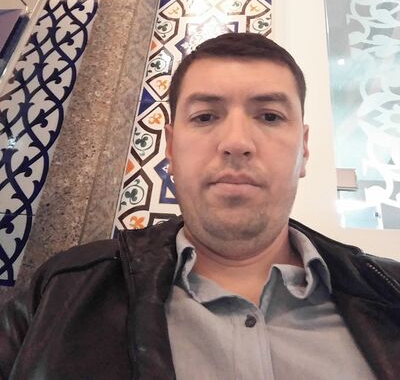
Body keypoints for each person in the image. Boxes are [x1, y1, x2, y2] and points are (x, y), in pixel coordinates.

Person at [0, 32, 399, 380]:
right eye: (206, 116)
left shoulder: (391, 293)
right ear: (171, 148)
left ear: (304, 149)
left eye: (269, 116)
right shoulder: (60, 293)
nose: (236, 142)